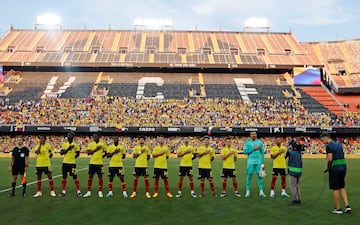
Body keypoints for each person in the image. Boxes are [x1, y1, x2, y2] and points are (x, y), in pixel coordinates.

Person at [320, 133, 351, 214]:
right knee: (342, 187)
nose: (322, 142)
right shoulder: (338, 145)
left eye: (322, 140)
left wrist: (327, 167)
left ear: (326, 137)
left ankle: (338, 209)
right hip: (343, 168)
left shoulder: (329, 146)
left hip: (335, 169)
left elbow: (330, 159)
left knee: (335, 189)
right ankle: (347, 206)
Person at [83, 133, 107, 198]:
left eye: (96, 137)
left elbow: (106, 152)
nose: (94, 138)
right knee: (90, 177)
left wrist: (103, 156)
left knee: (100, 177)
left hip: (100, 163)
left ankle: (100, 191)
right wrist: (96, 149)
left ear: (99, 137)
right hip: (92, 163)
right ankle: (88, 192)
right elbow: (88, 153)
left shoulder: (102, 144)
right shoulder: (91, 144)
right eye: (93, 137)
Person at [243, 131, 266, 198]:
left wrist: (263, 162)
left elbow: (262, 153)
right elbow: (245, 152)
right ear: (250, 135)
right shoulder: (247, 143)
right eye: (252, 134)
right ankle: (247, 191)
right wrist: (253, 149)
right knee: (249, 176)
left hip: (258, 162)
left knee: (260, 176)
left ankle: (261, 191)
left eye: (255, 134)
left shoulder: (260, 142)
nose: (254, 135)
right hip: (250, 162)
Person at [60, 132, 82, 197]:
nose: (68, 136)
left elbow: (78, 153)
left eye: (70, 135)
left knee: (75, 177)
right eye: (68, 135)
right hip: (65, 163)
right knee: (64, 177)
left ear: (73, 137)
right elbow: (61, 153)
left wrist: (73, 158)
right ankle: (63, 191)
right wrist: (68, 149)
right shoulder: (64, 144)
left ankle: (78, 191)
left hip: (72, 164)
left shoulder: (75, 145)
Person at [285, 139, 303, 205]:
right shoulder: (299, 152)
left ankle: (295, 200)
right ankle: (298, 198)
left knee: (292, 186)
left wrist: (287, 148)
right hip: (299, 171)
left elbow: (284, 156)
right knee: (297, 185)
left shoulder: (290, 152)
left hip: (292, 171)